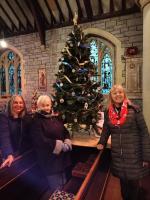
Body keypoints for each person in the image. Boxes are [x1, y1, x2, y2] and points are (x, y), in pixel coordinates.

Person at [97, 84, 150, 200]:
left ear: (124, 94)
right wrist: (102, 142)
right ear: (111, 96)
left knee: (134, 184)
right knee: (123, 184)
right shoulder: (108, 112)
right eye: (115, 93)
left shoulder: (134, 110)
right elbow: (106, 129)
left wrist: (146, 156)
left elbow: (144, 133)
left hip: (134, 155)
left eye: (120, 92)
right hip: (118, 155)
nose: (118, 95)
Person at [30, 95, 72, 192]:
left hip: (61, 159)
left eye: (48, 105)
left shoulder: (54, 118)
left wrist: (67, 141)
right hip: (50, 161)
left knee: (64, 184)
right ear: (38, 106)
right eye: (43, 105)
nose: (46, 107)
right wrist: (60, 145)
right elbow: (40, 140)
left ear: (51, 105)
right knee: (56, 189)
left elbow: (65, 131)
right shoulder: (36, 121)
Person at [0, 95, 31, 168]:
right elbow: (4, 137)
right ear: (11, 104)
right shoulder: (4, 117)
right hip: (10, 154)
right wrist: (9, 154)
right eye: (15, 103)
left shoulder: (25, 116)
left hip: (23, 153)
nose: (18, 105)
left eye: (21, 103)